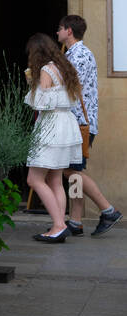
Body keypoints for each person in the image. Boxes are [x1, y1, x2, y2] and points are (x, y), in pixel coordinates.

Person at [57, 15, 120, 236]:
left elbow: (71, 89)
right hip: (79, 122)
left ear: (69, 31)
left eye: (60, 29)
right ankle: (75, 220)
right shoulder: (73, 54)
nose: (57, 33)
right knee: (73, 171)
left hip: (79, 123)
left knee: (71, 171)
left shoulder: (80, 55)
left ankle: (108, 209)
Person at [25, 34, 85, 243]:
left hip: (51, 126)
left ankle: (59, 225)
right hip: (66, 125)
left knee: (34, 179)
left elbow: (41, 103)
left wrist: (32, 84)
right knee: (55, 180)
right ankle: (58, 225)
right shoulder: (63, 66)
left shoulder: (45, 70)